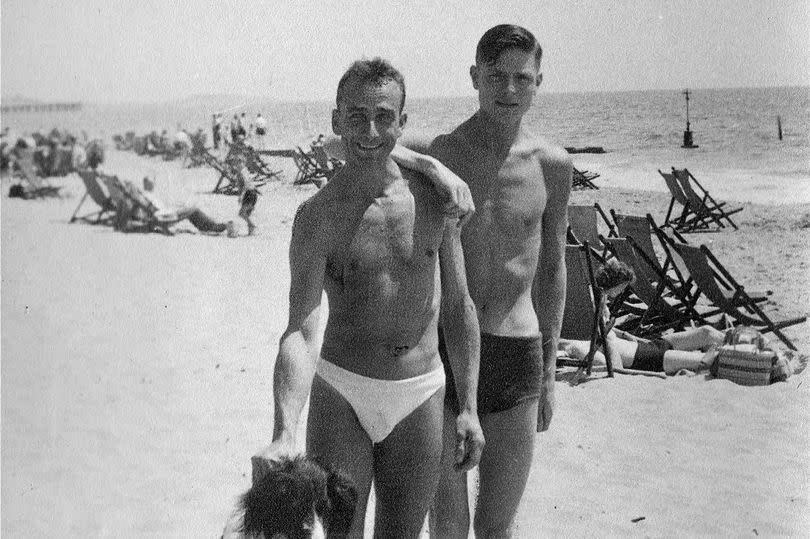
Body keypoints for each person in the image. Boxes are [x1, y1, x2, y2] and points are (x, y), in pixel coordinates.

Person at [251, 57, 484, 539]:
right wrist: (283, 430)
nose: (370, 130)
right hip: (343, 391)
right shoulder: (318, 217)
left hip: (421, 392)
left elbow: (459, 308)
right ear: (336, 120)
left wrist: (469, 407)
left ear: (403, 122)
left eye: (384, 117)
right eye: (356, 116)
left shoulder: (433, 199)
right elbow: (301, 327)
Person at [385, 24, 571, 538]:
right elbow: (349, 142)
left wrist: (551, 372)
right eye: (496, 77)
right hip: (445, 352)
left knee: (497, 527)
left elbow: (554, 271)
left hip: (518, 352)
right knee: (448, 522)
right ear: (475, 77)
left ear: (538, 83)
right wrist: (431, 167)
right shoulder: (441, 150)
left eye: (521, 78)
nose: (509, 90)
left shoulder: (552, 166)